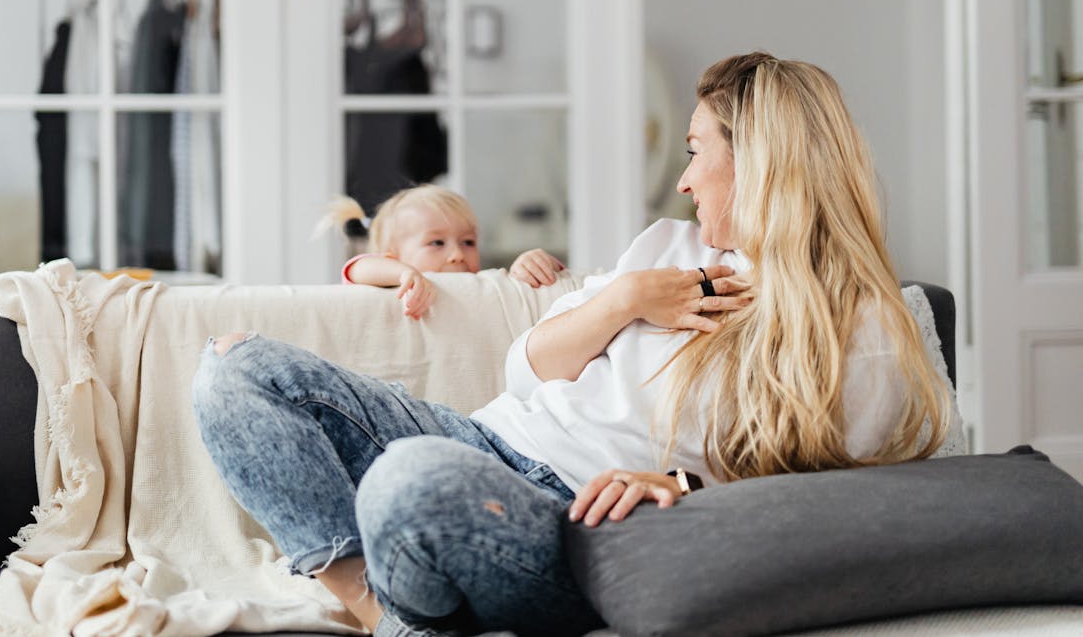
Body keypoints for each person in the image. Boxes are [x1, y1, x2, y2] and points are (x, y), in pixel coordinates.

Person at [191, 52, 952, 637]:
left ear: (759, 162)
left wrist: (687, 490)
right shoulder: (665, 245)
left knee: (408, 479)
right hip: (484, 437)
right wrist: (626, 299)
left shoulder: (863, 328)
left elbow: (850, 503)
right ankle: (376, 608)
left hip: (578, 522)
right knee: (235, 369)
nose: (684, 180)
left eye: (696, 151)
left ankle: (410, 586)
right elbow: (523, 371)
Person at [317, 184, 567, 320]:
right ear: (392, 257)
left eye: (468, 242)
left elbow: (515, 291)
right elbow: (357, 268)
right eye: (437, 243)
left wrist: (531, 265)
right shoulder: (394, 284)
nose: (457, 254)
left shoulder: (482, 286)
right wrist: (405, 274)